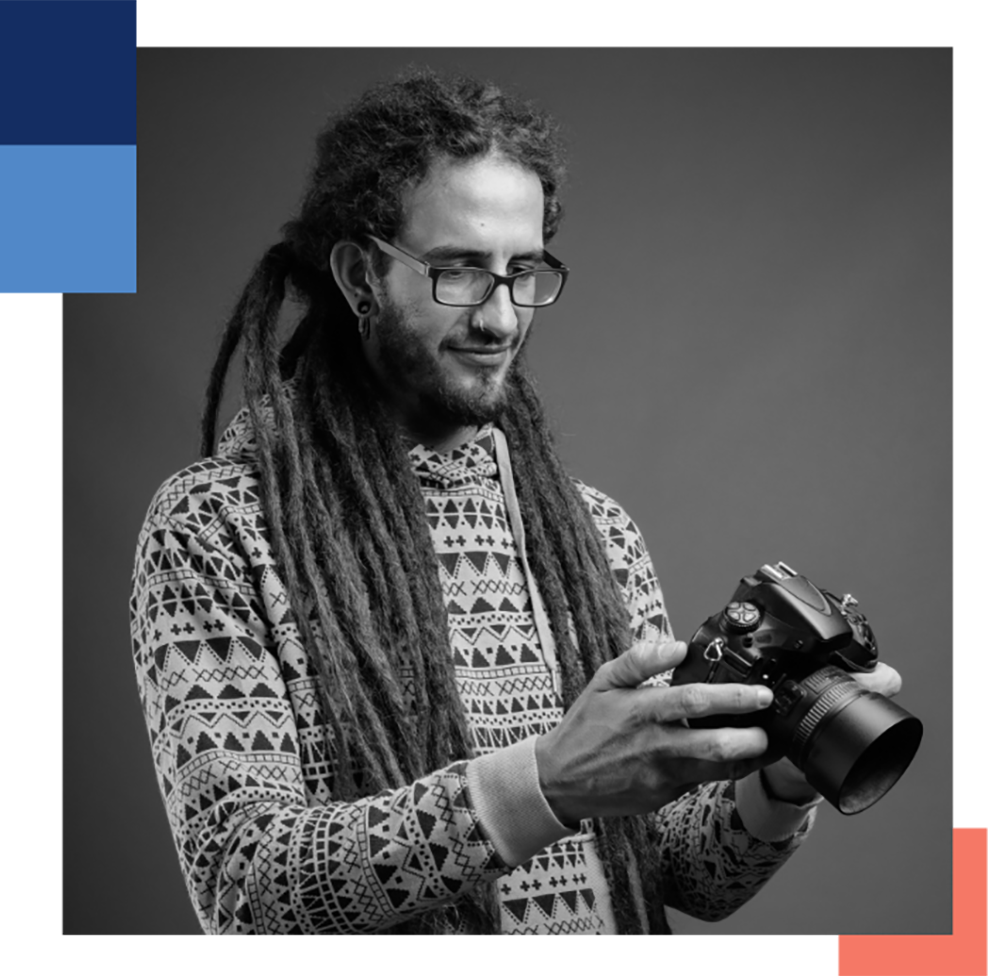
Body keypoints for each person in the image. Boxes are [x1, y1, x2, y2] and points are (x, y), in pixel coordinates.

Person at [129, 68, 901, 969]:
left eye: (523, 272)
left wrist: (780, 777)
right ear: (359, 274)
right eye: (458, 272)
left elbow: (676, 873)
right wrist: (548, 784)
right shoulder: (216, 526)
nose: (500, 317)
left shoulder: (590, 533)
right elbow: (241, 876)